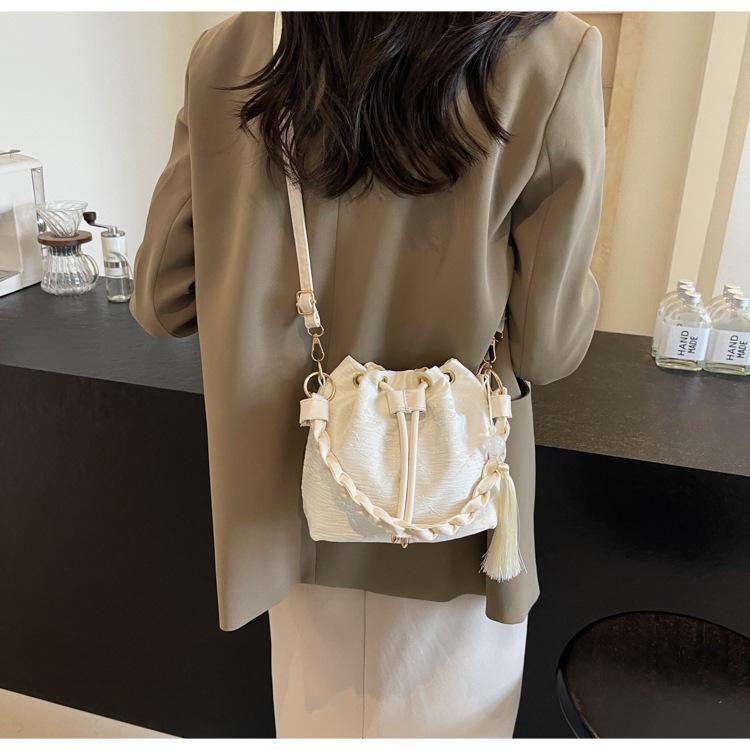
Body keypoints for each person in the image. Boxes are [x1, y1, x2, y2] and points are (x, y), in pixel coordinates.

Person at [130, 11, 604, 738]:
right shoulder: (550, 51)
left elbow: (162, 298)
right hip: (457, 517)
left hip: (295, 516)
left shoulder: (232, 51)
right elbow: (549, 346)